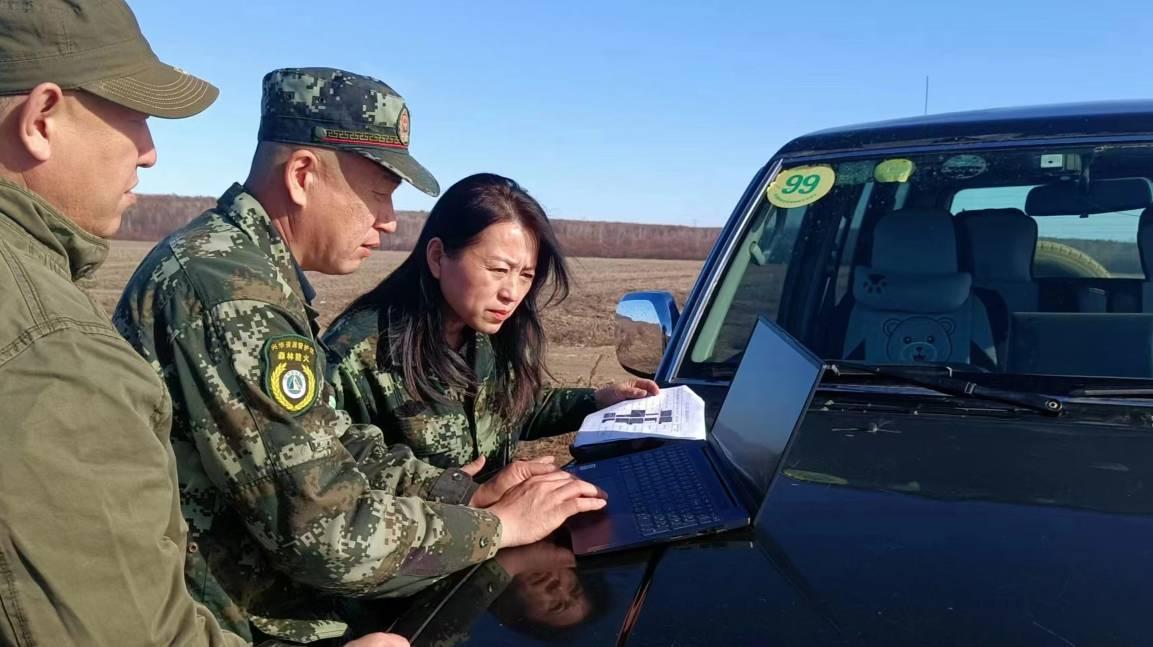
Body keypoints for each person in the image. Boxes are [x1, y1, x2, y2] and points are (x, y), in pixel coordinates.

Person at [113, 68, 606, 644]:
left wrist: (464, 494)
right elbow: (322, 531)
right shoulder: (231, 293)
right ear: (303, 175)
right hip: (236, 625)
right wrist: (496, 527)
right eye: (378, 193)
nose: (389, 220)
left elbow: (332, 445)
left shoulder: (251, 275)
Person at [324, 173, 660, 474]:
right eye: (498, 270)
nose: (511, 293)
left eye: (525, 275)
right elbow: (331, 486)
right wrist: (460, 496)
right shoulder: (355, 355)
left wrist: (596, 401)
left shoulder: (494, 332)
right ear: (438, 257)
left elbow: (517, 406)